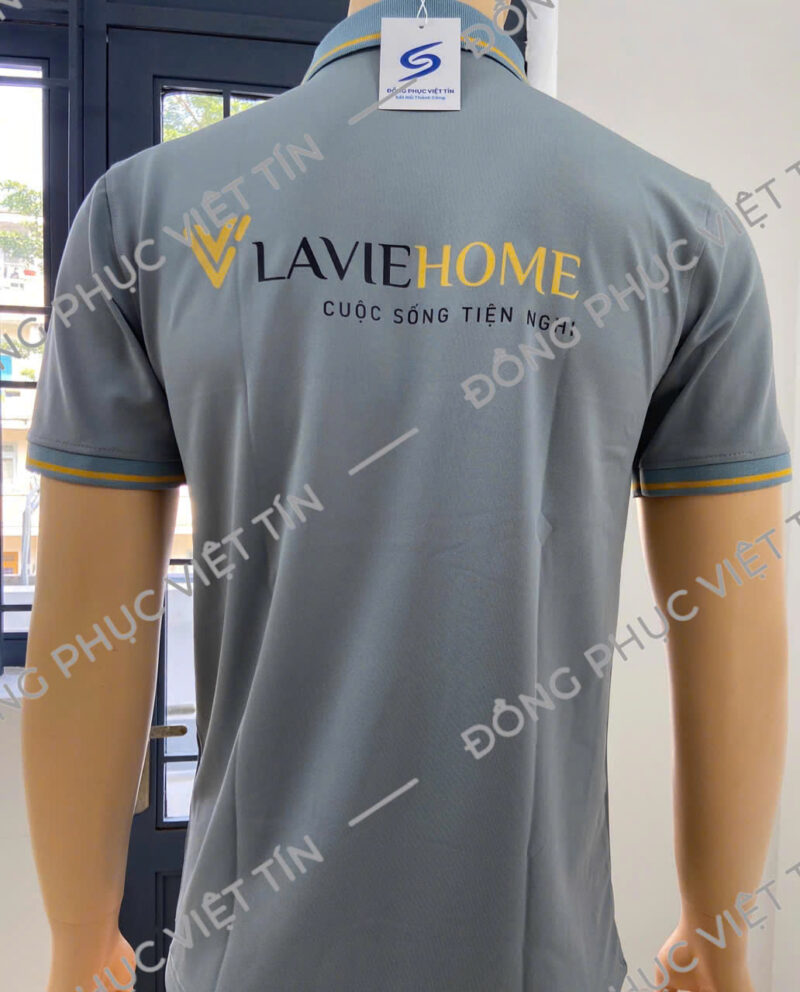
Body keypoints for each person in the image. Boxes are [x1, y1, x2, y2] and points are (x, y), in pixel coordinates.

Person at [22, 1, 792, 990]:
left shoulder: (148, 211)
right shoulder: (680, 230)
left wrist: (78, 933)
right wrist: (719, 938)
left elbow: (81, 628)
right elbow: (734, 608)